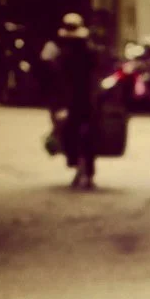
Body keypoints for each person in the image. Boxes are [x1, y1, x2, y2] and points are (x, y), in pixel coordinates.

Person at [39, 12, 99, 189]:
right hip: (84, 100)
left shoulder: (65, 53)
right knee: (84, 135)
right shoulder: (87, 50)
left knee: (75, 134)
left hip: (74, 100)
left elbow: (58, 79)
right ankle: (85, 171)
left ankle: (82, 169)